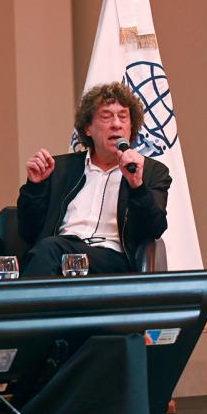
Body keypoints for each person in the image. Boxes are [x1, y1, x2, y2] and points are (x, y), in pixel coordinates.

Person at [17, 81, 170, 277]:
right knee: (49, 251)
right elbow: (28, 231)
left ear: (131, 127)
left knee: (49, 250)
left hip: (111, 260)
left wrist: (137, 186)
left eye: (123, 117)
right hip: (58, 254)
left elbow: (153, 229)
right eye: (106, 116)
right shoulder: (59, 169)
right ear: (88, 128)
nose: (116, 124)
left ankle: (16, 306)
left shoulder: (150, 171)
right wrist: (35, 187)